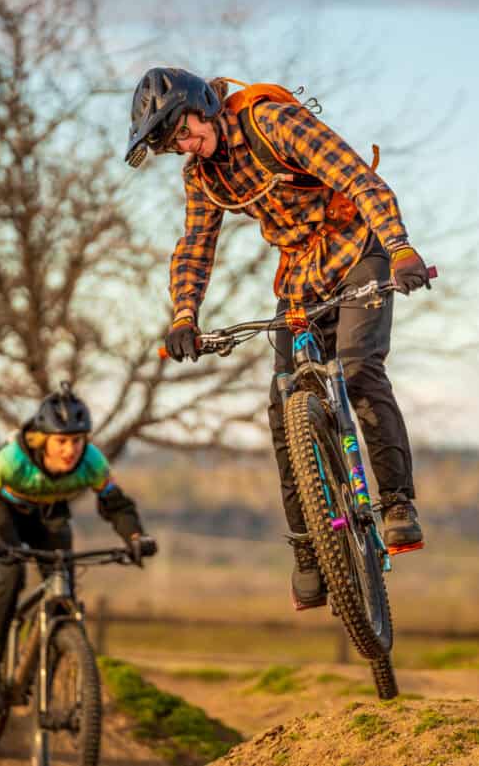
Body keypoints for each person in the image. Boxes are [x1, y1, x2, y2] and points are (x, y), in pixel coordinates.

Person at [125, 68, 429, 611]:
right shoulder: (202, 178)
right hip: (300, 280)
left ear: (202, 107)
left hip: (359, 253)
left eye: (185, 131)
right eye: (174, 144)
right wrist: (184, 316)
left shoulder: (272, 122)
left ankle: (397, 503)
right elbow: (196, 244)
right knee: (281, 404)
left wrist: (401, 247)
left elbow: (360, 179)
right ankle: (310, 548)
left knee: (358, 369)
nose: (185, 146)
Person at [0, 382, 156, 712]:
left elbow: (117, 506)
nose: (70, 450)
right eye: (62, 441)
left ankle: (45, 656)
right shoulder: (10, 461)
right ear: (44, 440)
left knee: (63, 594)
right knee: (11, 575)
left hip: (49, 516)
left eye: (77, 440)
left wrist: (135, 538)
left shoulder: (93, 463)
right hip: (5, 512)